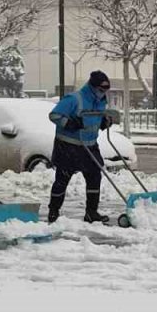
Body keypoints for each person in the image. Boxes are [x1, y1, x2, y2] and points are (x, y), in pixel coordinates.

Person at [47, 71, 113, 224]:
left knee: (95, 176)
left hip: (89, 145)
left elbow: (96, 118)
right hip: (68, 145)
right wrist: (70, 123)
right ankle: (53, 211)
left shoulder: (101, 100)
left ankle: (91, 212)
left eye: (105, 90)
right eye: (101, 90)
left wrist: (103, 123)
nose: (103, 93)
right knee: (62, 178)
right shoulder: (74, 99)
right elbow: (54, 115)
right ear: (92, 87)